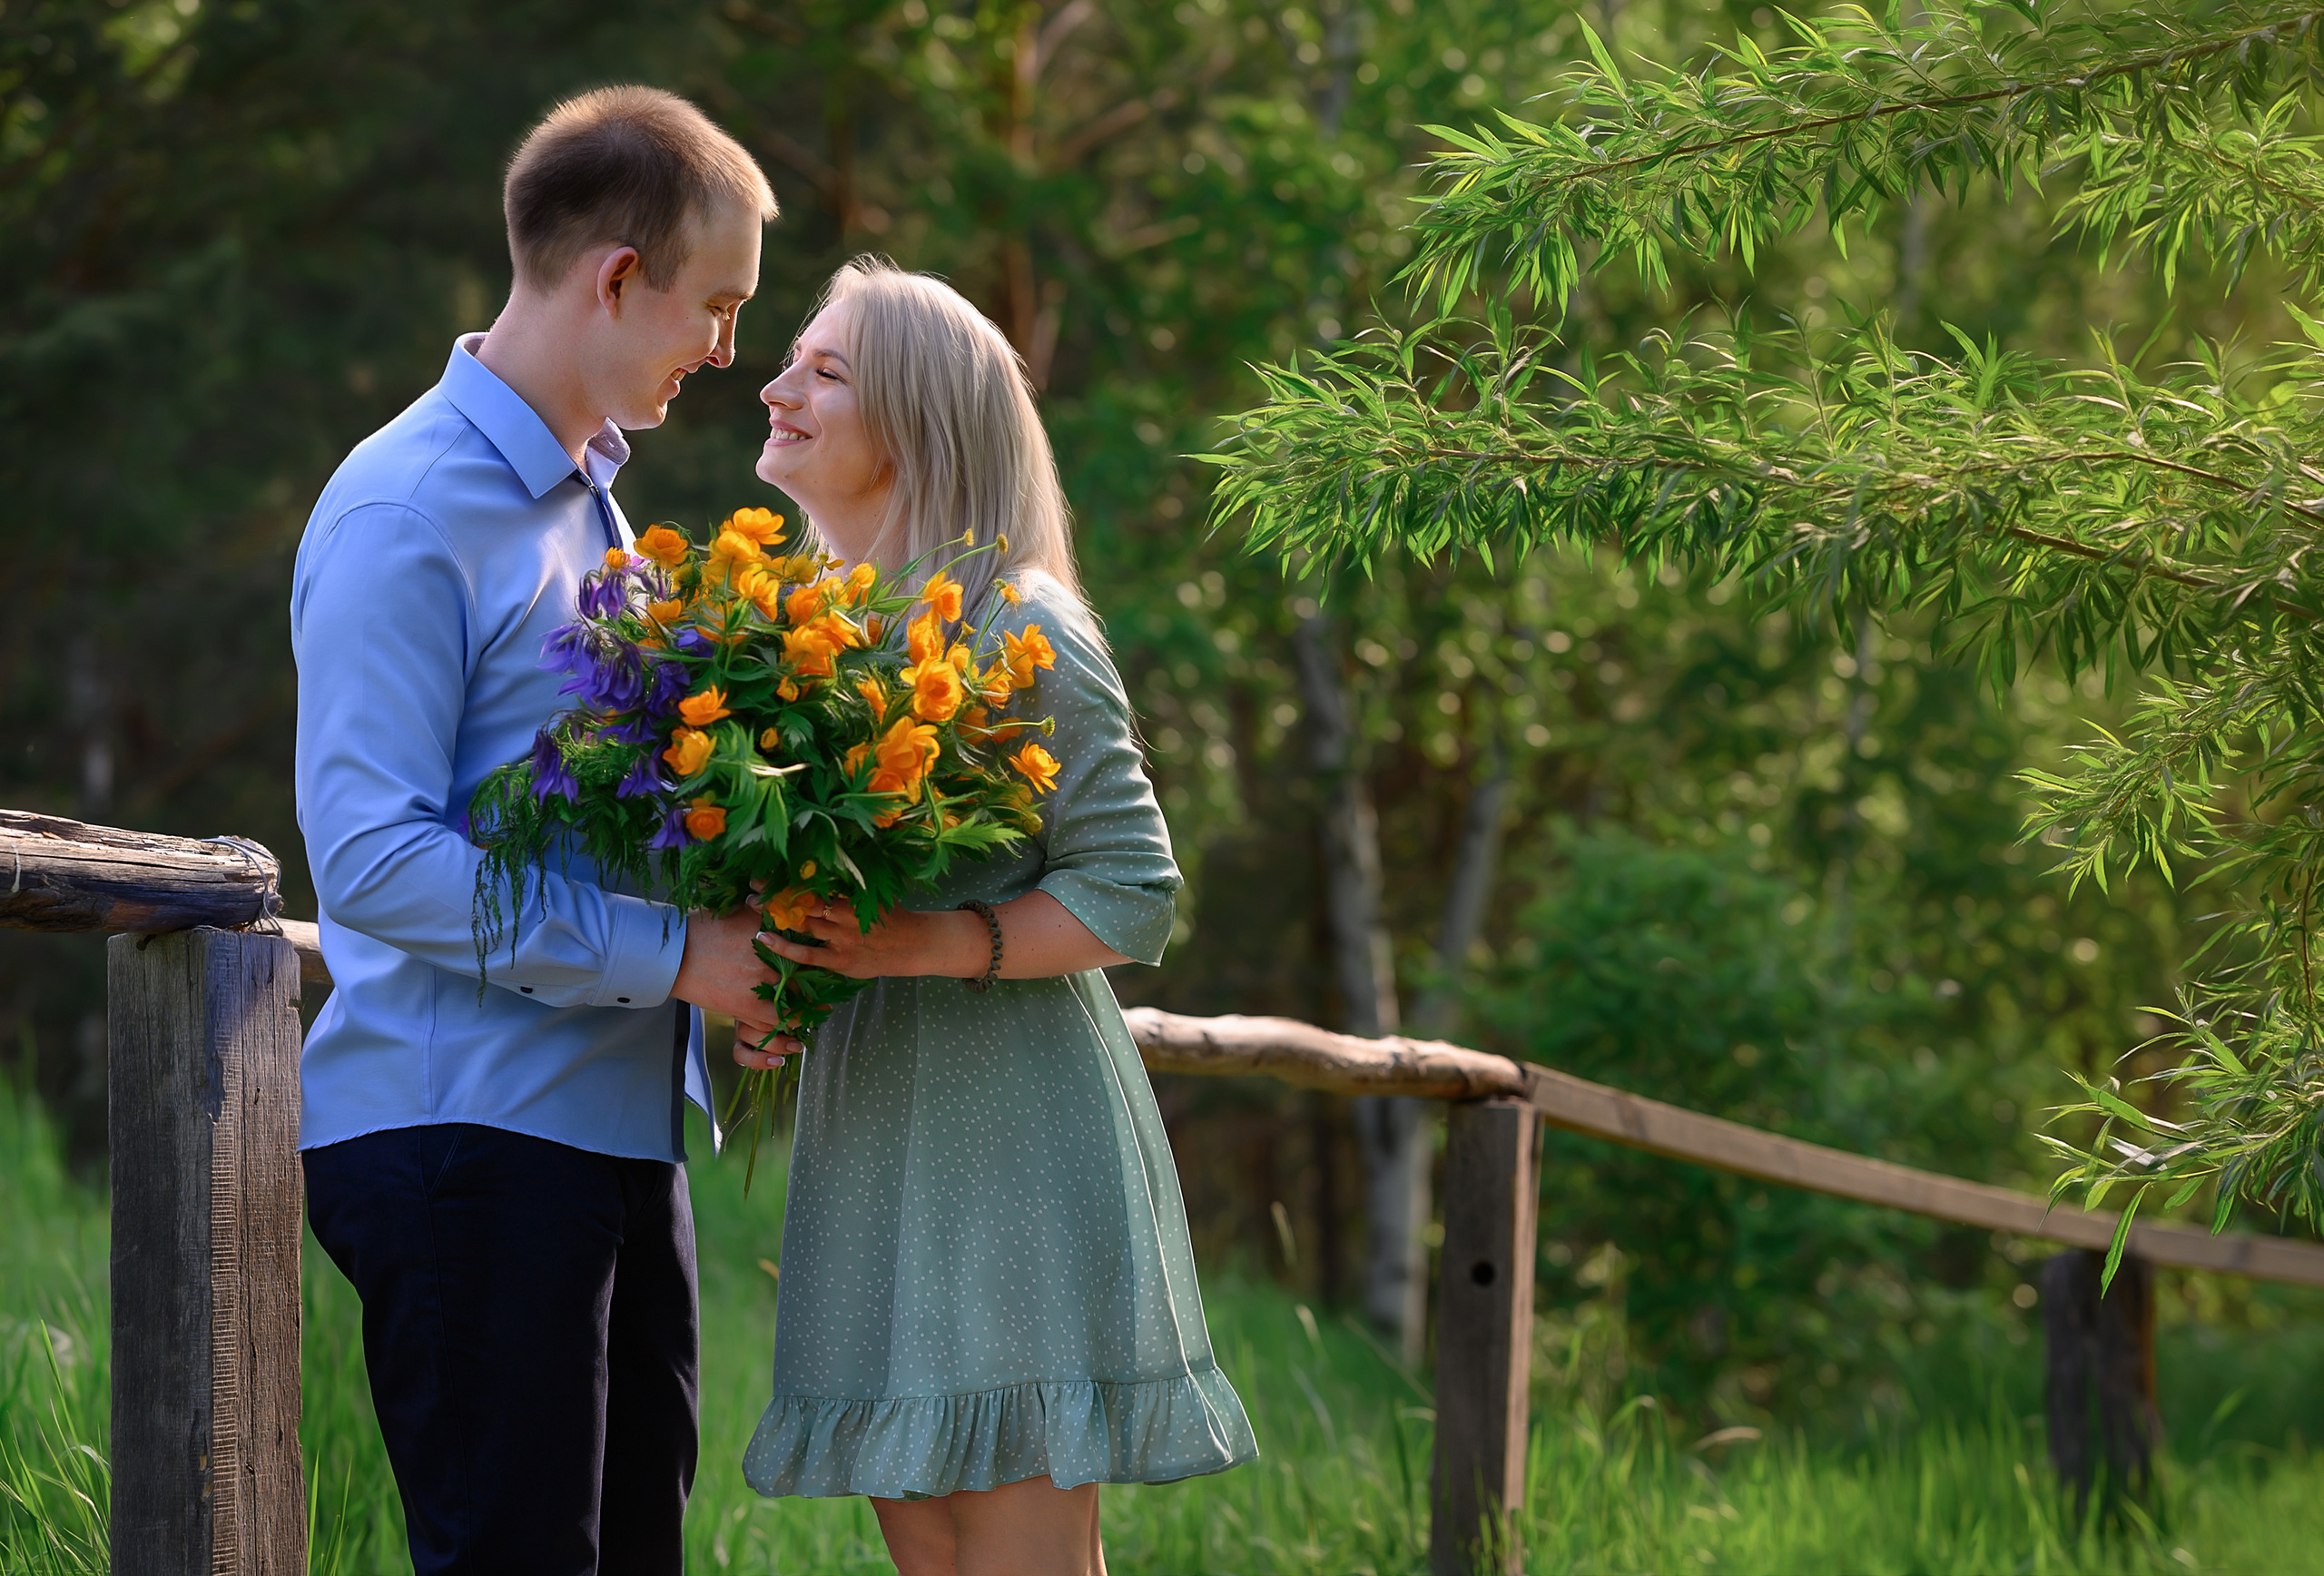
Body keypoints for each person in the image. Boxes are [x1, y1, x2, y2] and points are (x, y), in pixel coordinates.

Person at [290, 87, 797, 1575]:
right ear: (616, 278)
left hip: (607, 1138)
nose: (727, 350)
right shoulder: (407, 510)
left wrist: (733, 988)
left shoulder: (597, 515)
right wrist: (681, 956)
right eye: (715, 307)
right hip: (471, 1144)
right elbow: (373, 859)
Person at [736, 257, 1259, 1576]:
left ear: (917, 422)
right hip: (875, 1141)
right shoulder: (822, 633)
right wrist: (778, 988)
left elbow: (1133, 890)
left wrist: (922, 944)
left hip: (1013, 1141)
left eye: (825, 371)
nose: (775, 385)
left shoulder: (1020, 619)